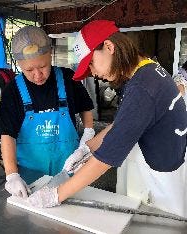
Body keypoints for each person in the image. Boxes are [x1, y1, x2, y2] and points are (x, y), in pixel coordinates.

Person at [26, 20, 187, 217]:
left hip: (160, 184)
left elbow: (106, 158)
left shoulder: (142, 88)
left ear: (109, 47)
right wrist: (87, 148)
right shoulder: (146, 70)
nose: (94, 73)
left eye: (91, 64)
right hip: (157, 167)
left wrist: (56, 195)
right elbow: (121, 125)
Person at [0, 26, 95, 198]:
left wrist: (89, 132)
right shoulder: (13, 91)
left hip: (70, 171)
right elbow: (7, 134)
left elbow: (85, 107)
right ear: (19, 65)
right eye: (29, 70)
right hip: (30, 177)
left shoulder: (68, 78)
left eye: (43, 66)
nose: (38, 74)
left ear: (50, 54)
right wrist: (11, 175)